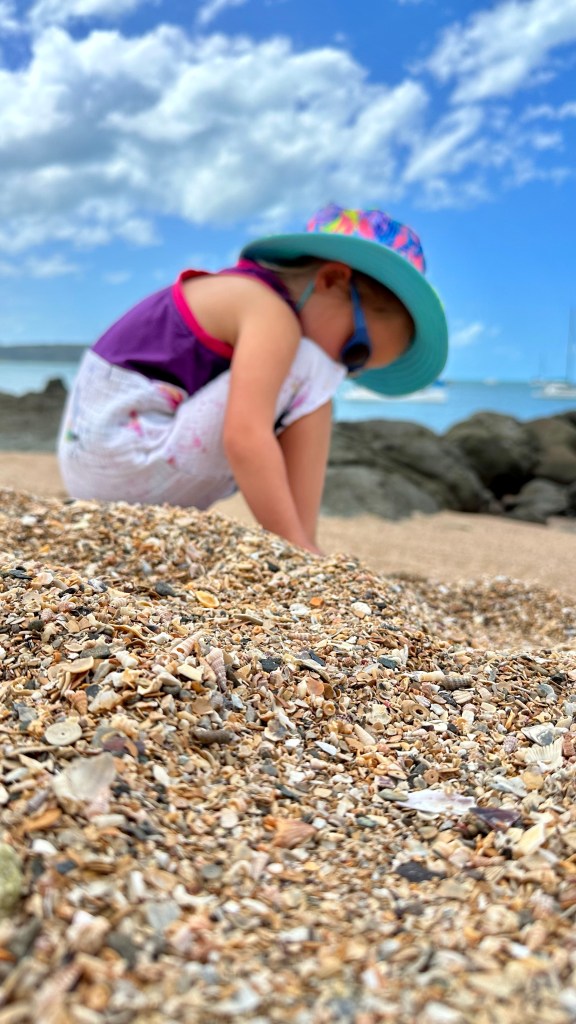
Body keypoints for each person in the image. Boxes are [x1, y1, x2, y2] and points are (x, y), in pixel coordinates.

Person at [58, 203, 448, 554]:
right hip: (125, 461)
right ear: (331, 280)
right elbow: (245, 436)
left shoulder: (239, 291)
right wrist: (291, 545)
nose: (341, 369)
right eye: (355, 350)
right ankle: (300, 544)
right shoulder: (270, 313)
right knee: (315, 370)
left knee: (304, 375)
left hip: (96, 469)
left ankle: (301, 541)